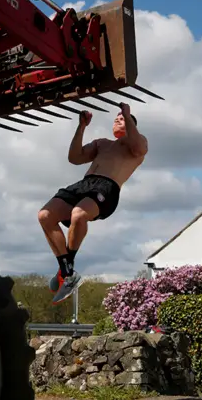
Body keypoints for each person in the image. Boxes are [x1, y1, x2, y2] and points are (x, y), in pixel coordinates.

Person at [37, 102, 148, 304]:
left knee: (79, 214)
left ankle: (67, 269)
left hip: (107, 187)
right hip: (84, 184)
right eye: (116, 117)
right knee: (45, 215)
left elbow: (139, 147)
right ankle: (67, 272)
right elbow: (74, 157)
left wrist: (128, 115)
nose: (117, 119)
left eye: (122, 118)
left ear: (131, 124)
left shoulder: (135, 143)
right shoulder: (102, 144)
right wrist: (81, 127)